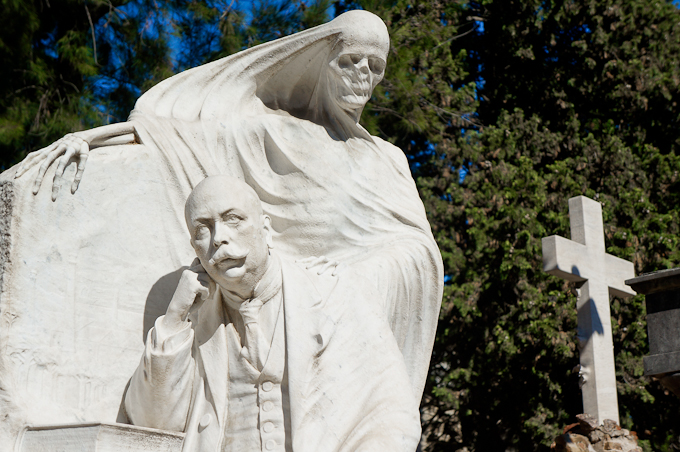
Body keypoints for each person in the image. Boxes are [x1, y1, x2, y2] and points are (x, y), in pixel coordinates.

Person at [15, 10, 443, 401]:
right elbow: (173, 133)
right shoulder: (276, 131)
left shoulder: (389, 158)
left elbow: (418, 246)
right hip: (284, 310)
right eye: (350, 61)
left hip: (353, 309)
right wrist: (87, 138)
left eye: (376, 66)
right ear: (321, 61)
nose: (363, 76)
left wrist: (360, 275)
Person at [124, 175, 420, 452]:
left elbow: (389, 416)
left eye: (233, 219)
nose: (218, 238)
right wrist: (174, 319)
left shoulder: (334, 292)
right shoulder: (191, 322)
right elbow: (150, 424)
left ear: (265, 227)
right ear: (194, 247)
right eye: (203, 229)